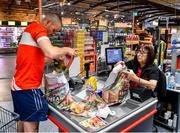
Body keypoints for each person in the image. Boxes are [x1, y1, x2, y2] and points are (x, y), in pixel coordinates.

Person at [11, 13, 77, 132]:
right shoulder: (38, 28)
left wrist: (56, 58)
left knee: (23, 118)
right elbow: (50, 52)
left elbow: (38, 60)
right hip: (28, 86)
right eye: (54, 29)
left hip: (18, 85)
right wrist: (66, 49)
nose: (53, 33)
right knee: (32, 126)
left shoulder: (30, 31)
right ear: (47, 23)